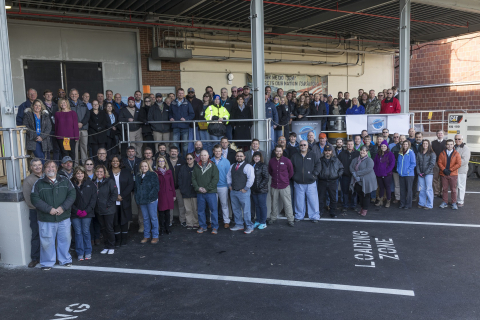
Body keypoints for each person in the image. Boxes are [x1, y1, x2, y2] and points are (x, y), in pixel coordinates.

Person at [31, 160, 76, 270]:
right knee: (47, 242)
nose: (50, 169)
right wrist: (49, 209)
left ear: (56, 169)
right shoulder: (39, 183)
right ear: (44, 169)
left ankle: (65, 260)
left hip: (63, 217)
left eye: (53, 167)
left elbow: (72, 194)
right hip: (46, 218)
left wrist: (63, 208)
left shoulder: (65, 180)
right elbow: (34, 199)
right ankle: (47, 263)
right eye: (47, 167)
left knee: (65, 240)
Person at [70, 166, 97, 261]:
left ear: (84, 174)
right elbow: (69, 199)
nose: (80, 175)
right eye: (78, 173)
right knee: (78, 233)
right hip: (75, 214)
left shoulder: (91, 184)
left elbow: (93, 200)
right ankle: (80, 253)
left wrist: (86, 211)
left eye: (81, 173)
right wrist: (76, 210)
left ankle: (88, 252)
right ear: (75, 175)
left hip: (87, 213)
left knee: (85, 232)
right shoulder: (71, 184)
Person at [290, 140, 321, 222]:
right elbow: (290, 168)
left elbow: (318, 165)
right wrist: (294, 176)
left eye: (304, 145)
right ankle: (299, 215)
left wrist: (314, 175)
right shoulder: (295, 156)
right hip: (298, 183)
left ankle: (314, 216)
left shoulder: (313, 155)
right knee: (299, 201)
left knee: (313, 201)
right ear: (299, 146)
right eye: (301, 145)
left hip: (311, 182)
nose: (303, 146)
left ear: (307, 146)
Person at [192, 150, 220, 234]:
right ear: (200, 156)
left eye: (205, 155)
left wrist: (207, 189)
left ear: (208, 156)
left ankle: (215, 227)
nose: (203, 157)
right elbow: (193, 179)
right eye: (202, 155)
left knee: (213, 210)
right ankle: (202, 226)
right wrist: (198, 188)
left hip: (210, 192)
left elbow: (215, 179)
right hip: (200, 192)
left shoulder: (213, 166)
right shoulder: (196, 166)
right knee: (201, 211)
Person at [227, 151, 255, 233]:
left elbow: (251, 179)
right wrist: (229, 186)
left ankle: (249, 227)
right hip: (234, 192)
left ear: (244, 157)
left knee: (246, 210)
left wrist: (246, 188)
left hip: (243, 192)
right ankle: (239, 225)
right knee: (236, 210)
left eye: (241, 156)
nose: (239, 157)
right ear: (235, 157)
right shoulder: (232, 166)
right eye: (237, 156)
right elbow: (228, 176)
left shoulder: (248, 166)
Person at [22, 159, 43, 268]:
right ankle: (35, 258)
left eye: (39, 165)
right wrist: (43, 208)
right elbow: (28, 199)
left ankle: (50, 256)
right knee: (36, 234)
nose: (37, 167)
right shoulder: (28, 180)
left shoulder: (46, 176)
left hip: (48, 211)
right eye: (35, 165)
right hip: (35, 211)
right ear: (31, 167)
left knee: (49, 234)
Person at [109, 156, 134, 247]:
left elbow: (130, 184)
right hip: (112, 200)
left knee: (124, 220)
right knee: (115, 220)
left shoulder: (126, 172)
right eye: (113, 161)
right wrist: (115, 196)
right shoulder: (107, 173)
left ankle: (124, 239)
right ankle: (117, 240)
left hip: (124, 199)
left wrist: (121, 195)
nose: (115, 162)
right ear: (111, 162)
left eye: (117, 161)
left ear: (120, 162)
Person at [92, 165, 117, 254]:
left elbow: (114, 194)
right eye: (97, 171)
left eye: (101, 172)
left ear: (104, 173)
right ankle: (106, 246)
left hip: (108, 210)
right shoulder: (93, 182)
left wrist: (108, 205)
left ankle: (111, 246)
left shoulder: (109, 181)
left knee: (109, 228)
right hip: (98, 210)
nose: (99, 173)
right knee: (103, 228)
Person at [268, 146, 295, 226]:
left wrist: (285, 179)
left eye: (280, 151)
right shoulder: (271, 161)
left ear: (282, 151)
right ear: (275, 152)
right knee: (274, 203)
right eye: (277, 151)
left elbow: (291, 173)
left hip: (284, 185)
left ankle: (290, 219)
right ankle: (273, 218)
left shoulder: (287, 161)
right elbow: (270, 172)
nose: (278, 153)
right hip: (274, 186)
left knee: (287, 203)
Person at [135, 160, 160, 244]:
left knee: (153, 218)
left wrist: (150, 197)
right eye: (142, 166)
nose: (144, 168)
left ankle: (155, 236)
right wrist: (137, 197)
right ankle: (147, 235)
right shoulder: (138, 176)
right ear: (140, 168)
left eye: (145, 166)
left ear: (148, 166)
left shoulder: (152, 175)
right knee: (145, 218)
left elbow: (156, 187)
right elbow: (136, 189)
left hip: (151, 200)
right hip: (142, 201)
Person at [350, 146, 377, 216]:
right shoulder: (355, 159)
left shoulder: (369, 160)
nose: (362, 152)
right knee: (361, 195)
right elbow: (351, 166)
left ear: (367, 152)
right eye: (361, 150)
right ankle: (362, 208)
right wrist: (354, 173)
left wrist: (357, 174)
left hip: (366, 181)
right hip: (357, 180)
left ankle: (365, 209)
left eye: (364, 151)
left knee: (366, 195)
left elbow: (368, 169)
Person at [317, 145, 344, 218]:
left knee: (333, 198)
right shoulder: (320, 160)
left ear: (331, 151)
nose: (327, 152)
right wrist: (319, 175)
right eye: (326, 150)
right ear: (324, 151)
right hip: (322, 181)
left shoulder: (336, 160)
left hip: (333, 181)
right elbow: (316, 169)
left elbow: (341, 168)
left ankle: (333, 212)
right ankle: (320, 211)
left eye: (329, 150)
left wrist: (337, 175)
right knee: (321, 197)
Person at [169, 88, 195, 156]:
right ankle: (178, 158)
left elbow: (192, 114)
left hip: (185, 126)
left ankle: (185, 158)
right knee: (175, 143)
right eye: (179, 93)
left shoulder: (187, 103)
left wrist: (186, 119)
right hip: (175, 126)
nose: (180, 94)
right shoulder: (173, 103)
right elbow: (170, 113)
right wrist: (170, 117)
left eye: (182, 93)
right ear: (177, 94)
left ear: (184, 94)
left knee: (185, 144)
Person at [166, 146, 187, 226]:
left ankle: (182, 220)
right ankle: (169, 221)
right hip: (169, 188)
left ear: (178, 153)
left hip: (179, 188)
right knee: (170, 206)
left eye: (175, 151)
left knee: (181, 205)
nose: (173, 153)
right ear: (169, 153)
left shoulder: (182, 162)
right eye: (172, 151)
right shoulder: (166, 162)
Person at [212, 144, 232, 228]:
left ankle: (226, 221)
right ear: (213, 151)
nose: (217, 153)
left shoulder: (226, 161)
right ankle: (212, 221)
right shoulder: (210, 161)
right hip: (212, 187)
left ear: (221, 152)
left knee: (224, 205)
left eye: (219, 151)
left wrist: (228, 185)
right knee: (212, 206)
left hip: (223, 186)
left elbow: (229, 175)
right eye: (216, 151)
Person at [438, 139, 462, 210]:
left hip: (453, 174)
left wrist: (450, 170)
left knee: (453, 189)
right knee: (444, 189)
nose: (450, 146)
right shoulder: (442, 153)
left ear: (453, 145)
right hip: (444, 174)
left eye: (451, 144)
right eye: (448, 144)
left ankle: (453, 203)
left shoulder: (456, 153)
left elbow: (458, 164)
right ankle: (444, 202)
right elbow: (439, 162)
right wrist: (444, 170)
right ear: (446, 145)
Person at [155, 156, 176, 235]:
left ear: (165, 162)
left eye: (162, 161)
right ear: (157, 163)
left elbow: (172, 184)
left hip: (168, 194)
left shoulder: (169, 171)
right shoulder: (156, 172)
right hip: (160, 194)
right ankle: (162, 229)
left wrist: (174, 194)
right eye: (159, 161)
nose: (161, 162)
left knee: (168, 213)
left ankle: (168, 228)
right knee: (161, 213)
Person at [178, 153, 198, 230]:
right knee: (188, 209)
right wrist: (182, 189)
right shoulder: (183, 168)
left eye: (190, 158)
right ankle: (189, 223)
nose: (189, 160)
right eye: (187, 159)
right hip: (185, 192)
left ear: (194, 159)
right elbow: (180, 179)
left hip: (195, 191)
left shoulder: (197, 167)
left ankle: (196, 223)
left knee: (195, 209)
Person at [338, 140, 360, 212]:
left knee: (354, 191)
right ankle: (345, 205)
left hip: (354, 176)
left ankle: (353, 205)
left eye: (351, 144)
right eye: (348, 144)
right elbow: (338, 164)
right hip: (345, 175)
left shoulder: (357, 153)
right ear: (346, 145)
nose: (350, 145)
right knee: (345, 191)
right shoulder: (342, 154)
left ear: (353, 145)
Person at [69, 89, 90, 164]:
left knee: (84, 147)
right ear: (69, 95)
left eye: (75, 94)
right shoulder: (67, 105)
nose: (74, 96)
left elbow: (87, 115)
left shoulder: (83, 104)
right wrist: (75, 124)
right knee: (74, 148)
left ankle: (85, 164)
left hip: (83, 129)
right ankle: (75, 164)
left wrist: (82, 123)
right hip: (73, 130)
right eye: (72, 94)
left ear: (78, 95)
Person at [373, 141, 395, 208]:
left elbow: (392, 164)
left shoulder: (390, 154)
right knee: (381, 187)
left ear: (387, 147)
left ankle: (388, 201)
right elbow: (375, 163)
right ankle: (380, 200)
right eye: (382, 146)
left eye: (384, 146)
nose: (383, 147)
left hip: (387, 174)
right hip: (379, 174)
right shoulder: (378, 154)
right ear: (380, 147)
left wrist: (386, 171)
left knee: (387, 187)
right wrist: (376, 171)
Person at [250, 151, 269, 229]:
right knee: (257, 206)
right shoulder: (250, 165)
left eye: (258, 157)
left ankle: (263, 222)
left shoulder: (263, 165)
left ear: (260, 158)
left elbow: (266, 178)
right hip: (253, 190)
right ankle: (257, 220)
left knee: (262, 206)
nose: (256, 158)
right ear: (253, 157)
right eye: (255, 156)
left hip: (261, 190)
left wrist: (259, 187)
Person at [416, 139, 436, 210]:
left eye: (426, 144)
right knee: (422, 189)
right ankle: (422, 203)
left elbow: (432, 164)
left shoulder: (432, 153)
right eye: (424, 143)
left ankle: (430, 204)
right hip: (420, 174)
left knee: (428, 189)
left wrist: (425, 172)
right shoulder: (419, 153)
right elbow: (417, 164)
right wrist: (418, 172)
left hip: (428, 174)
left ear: (429, 145)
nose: (425, 145)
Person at [397, 140, 417, 209]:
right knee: (402, 190)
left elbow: (413, 163)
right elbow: (398, 163)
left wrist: (408, 171)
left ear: (409, 145)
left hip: (409, 175)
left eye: (406, 144)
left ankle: (408, 204)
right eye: (404, 144)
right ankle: (402, 203)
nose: (405, 145)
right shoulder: (400, 153)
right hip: (401, 174)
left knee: (409, 190)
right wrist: (398, 170)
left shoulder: (411, 152)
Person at [454, 134, 470, 207]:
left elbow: (464, 160)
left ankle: (460, 200)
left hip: (461, 170)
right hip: (454, 170)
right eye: (456, 139)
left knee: (461, 186)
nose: (457, 140)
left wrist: (454, 166)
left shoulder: (465, 148)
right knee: (455, 186)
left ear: (462, 140)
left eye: (459, 139)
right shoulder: (454, 147)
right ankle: (456, 199)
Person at [431, 130, 447, 197]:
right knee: (435, 178)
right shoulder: (433, 143)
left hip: (444, 163)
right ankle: (436, 192)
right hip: (435, 163)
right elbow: (432, 152)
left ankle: (441, 192)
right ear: (436, 135)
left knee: (442, 178)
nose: (440, 134)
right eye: (438, 133)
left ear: (443, 134)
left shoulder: (446, 142)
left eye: (441, 133)